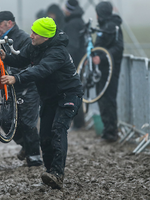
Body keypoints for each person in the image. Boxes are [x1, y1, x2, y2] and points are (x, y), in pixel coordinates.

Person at [0, 17, 83, 189]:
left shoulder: (57, 52)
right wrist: (5, 57)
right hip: (49, 98)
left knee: (58, 130)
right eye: (31, 31)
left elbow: (41, 70)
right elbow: (21, 60)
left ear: (45, 37)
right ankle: (50, 172)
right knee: (45, 137)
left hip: (68, 95)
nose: (30, 36)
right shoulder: (34, 46)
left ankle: (57, 174)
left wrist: (17, 78)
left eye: (35, 33)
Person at [0, 11, 43, 167]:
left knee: (28, 122)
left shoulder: (22, 38)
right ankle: (27, 146)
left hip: (28, 85)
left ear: (9, 23)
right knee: (4, 121)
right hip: (9, 87)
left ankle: (34, 157)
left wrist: (15, 77)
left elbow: (27, 63)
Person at [93, 1, 124, 142]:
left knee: (109, 100)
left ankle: (111, 132)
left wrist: (102, 58)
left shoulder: (114, 27)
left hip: (110, 70)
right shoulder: (104, 27)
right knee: (102, 100)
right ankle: (107, 131)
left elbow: (118, 48)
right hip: (101, 70)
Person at [63, 0, 86, 129]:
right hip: (79, 62)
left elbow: (72, 46)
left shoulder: (72, 24)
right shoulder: (79, 21)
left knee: (74, 91)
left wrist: (64, 61)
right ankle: (79, 121)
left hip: (75, 63)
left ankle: (78, 122)